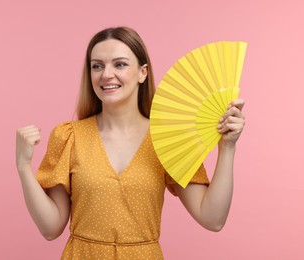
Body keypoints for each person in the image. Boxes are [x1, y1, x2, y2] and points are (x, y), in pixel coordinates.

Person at [16, 27, 245, 259]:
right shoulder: (68, 136)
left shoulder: (167, 139)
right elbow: (50, 228)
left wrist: (227, 148)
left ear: (142, 73)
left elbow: (212, 218)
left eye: (120, 64)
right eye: (97, 66)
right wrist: (23, 166)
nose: (106, 74)